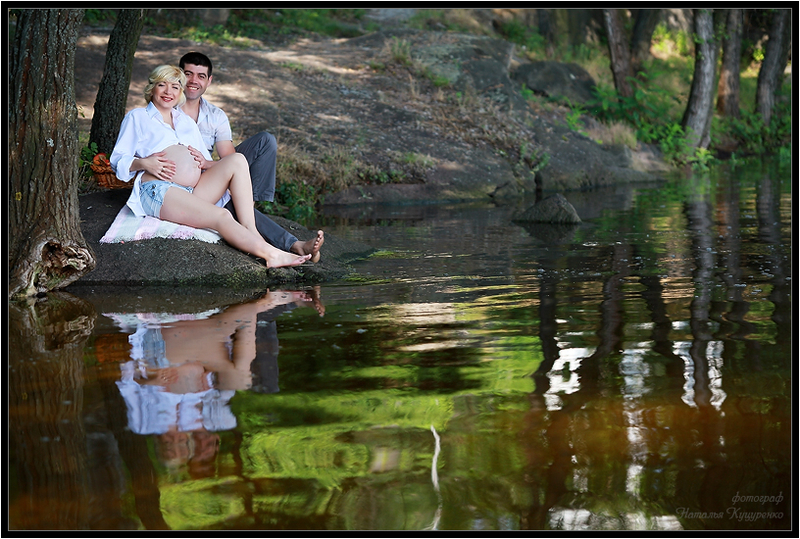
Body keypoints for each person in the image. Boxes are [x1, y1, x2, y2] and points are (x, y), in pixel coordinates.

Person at [109, 64, 311, 268]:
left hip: (193, 191)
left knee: (238, 160)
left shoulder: (186, 122)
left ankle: (252, 230)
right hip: (159, 190)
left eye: (175, 87)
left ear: (180, 92)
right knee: (222, 216)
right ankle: (272, 255)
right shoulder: (138, 117)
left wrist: (206, 165)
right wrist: (144, 163)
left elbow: (207, 163)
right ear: (152, 88)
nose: (168, 91)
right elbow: (117, 159)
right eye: (162, 85)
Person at [178, 51, 324, 263]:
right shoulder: (169, 109)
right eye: (188, 74)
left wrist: (210, 164)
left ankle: (246, 206)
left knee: (265, 141)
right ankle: (295, 245)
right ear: (178, 75)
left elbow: (229, 156)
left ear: (209, 81)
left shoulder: (215, 114)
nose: (193, 81)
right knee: (231, 200)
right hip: (190, 179)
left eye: (201, 76)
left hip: (212, 172)